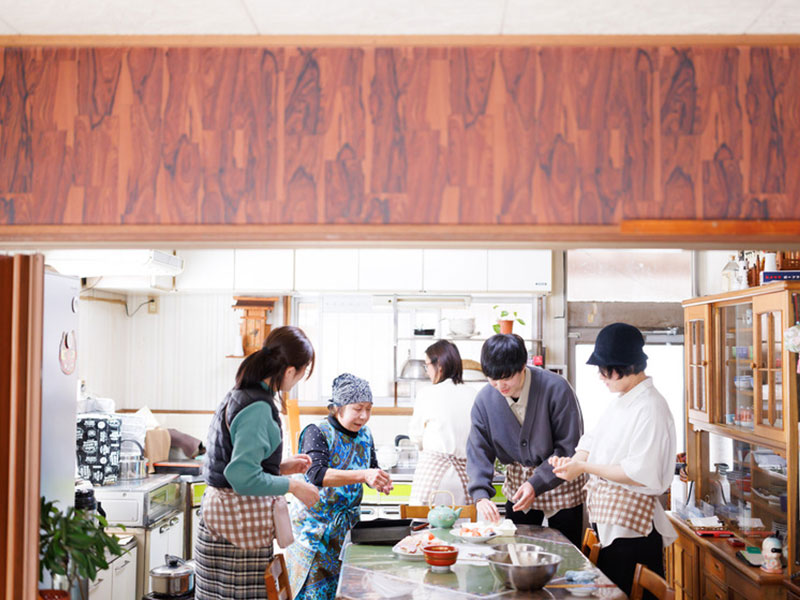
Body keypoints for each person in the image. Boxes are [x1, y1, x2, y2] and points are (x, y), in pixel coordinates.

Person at [549, 322, 676, 598]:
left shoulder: (651, 407)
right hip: (613, 525)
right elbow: (591, 441)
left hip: (632, 532)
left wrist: (583, 467)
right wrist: (574, 462)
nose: (600, 376)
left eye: (604, 369)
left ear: (622, 366)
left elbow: (638, 472)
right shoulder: (623, 399)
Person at [195, 326, 321, 600]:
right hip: (236, 522)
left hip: (225, 518)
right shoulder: (258, 407)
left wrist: (281, 466)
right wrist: (294, 486)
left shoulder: (243, 393)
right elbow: (242, 478)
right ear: (290, 371)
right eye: (302, 372)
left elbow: (238, 463)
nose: (299, 379)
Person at [467, 333, 585, 547]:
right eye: (493, 379)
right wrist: (481, 495)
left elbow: (568, 446)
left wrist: (536, 483)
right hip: (518, 487)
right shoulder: (484, 400)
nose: (500, 385)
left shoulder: (557, 388)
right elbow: (478, 451)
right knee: (517, 551)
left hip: (561, 483)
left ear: (523, 366)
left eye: (506, 377)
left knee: (567, 554)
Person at [287, 373, 393, 600]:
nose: (364, 416)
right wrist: (364, 475)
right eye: (358, 409)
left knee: (345, 593)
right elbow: (316, 474)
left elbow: (370, 467)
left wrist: (379, 480)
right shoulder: (318, 431)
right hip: (315, 535)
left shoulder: (365, 434)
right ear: (338, 407)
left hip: (348, 533)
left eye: (369, 409)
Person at [408, 340, 477, 506]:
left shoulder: (427, 394)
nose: (427, 372)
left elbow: (416, 436)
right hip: (465, 476)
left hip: (433, 474)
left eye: (426, 366)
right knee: (463, 522)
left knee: (424, 521)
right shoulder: (474, 394)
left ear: (438, 365)